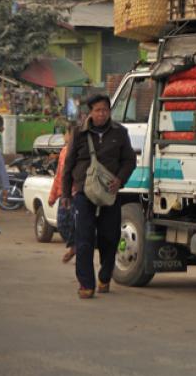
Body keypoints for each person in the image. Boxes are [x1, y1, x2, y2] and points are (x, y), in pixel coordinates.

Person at [60, 94, 137, 299]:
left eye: (105, 109)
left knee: (109, 238)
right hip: (84, 193)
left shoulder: (120, 133)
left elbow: (130, 161)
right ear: (90, 113)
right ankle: (86, 284)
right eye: (98, 110)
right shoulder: (79, 133)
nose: (102, 113)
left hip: (110, 194)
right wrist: (66, 193)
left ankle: (104, 276)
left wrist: (120, 180)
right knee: (84, 239)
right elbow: (68, 165)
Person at [48, 122, 78, 262]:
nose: (64, 136)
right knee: (62, 224)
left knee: (75, 223)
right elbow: (59, 175)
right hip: (64, 195)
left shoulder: (79, 151)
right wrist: (53, 196)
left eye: (66, 133)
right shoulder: (64, 152)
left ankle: (77, 247)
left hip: (76, 194)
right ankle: (74, 246)